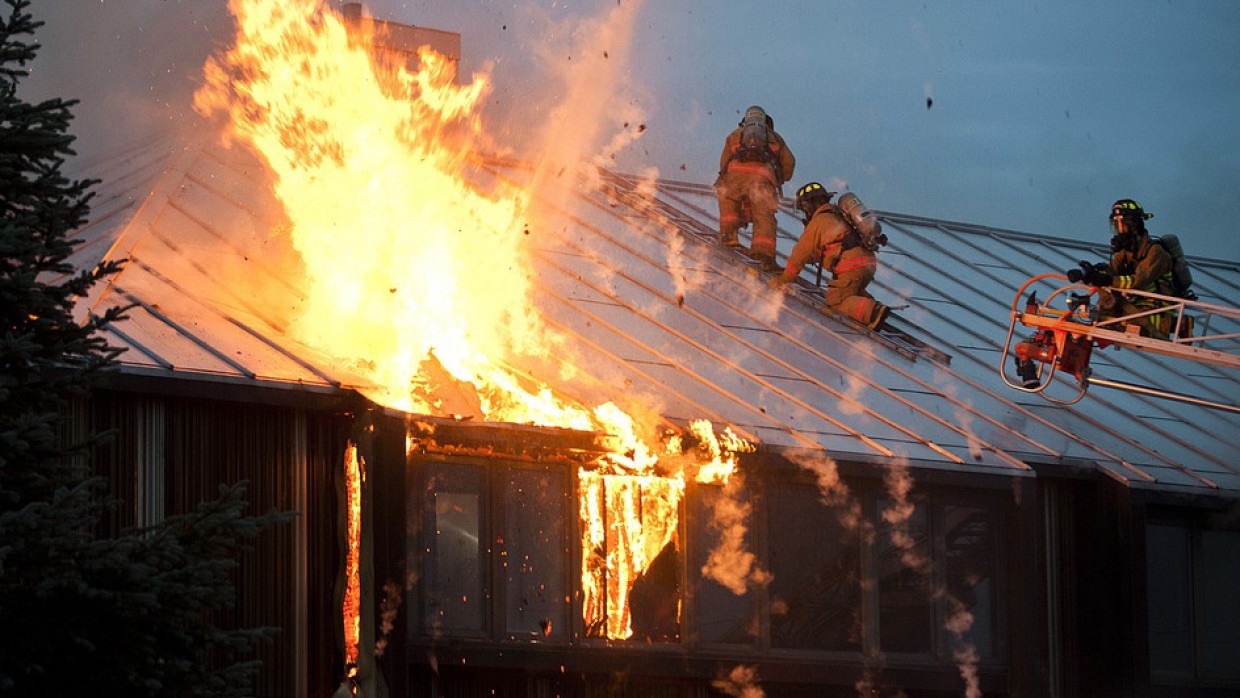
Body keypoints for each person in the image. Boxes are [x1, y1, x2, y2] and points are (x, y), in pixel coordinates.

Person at [769, 182, 889, 330]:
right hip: (867, 263)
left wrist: (782, 280)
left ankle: (872, 312)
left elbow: (798, 256)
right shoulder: (839, 215)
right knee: (849, 290)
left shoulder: (818, 222)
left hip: (851, 265)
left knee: (835, 300)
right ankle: (866, 303)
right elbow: (832, 247)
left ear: (808, 206)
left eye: (804, 209)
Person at [1067, 198, 1176, 339]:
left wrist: (1106, 279)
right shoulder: (1126, 253)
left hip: (1154, 314)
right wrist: (1089, 273)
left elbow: (1137, 281)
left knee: (1109, 302)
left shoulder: (1155, 252)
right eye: (1116, 226)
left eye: (1123, 225)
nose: (1120, 231)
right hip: (1136, 309)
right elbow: (1112, 271)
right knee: (1104, 300)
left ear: (1136, 225)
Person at [715, 105, 796, 272]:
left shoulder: (735, 134)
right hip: (762, 178)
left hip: (735, 175)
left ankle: (729, 237)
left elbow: (724, 162)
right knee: (764, 216)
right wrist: (778, 179)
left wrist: (728, 178)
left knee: (728, 201)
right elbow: (789, 163)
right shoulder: (775, 138)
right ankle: (763, 255)